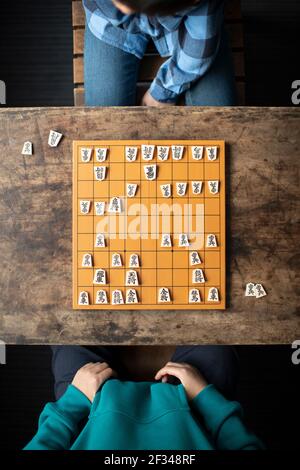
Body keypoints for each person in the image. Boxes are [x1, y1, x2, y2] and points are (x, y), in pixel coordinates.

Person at [24, 346, 263, 450]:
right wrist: (205, 396)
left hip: (87, 410)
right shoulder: (201, 400)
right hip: (197, 410)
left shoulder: (80, 402)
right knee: (220, 316)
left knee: (70, 310)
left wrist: (73, 402)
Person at [83, 0, 237, 106]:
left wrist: (165, 91)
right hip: (107, 22)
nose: (124, 9)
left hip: (183, 18)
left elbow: (200, 46)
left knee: (217, 118)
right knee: (103, 116)